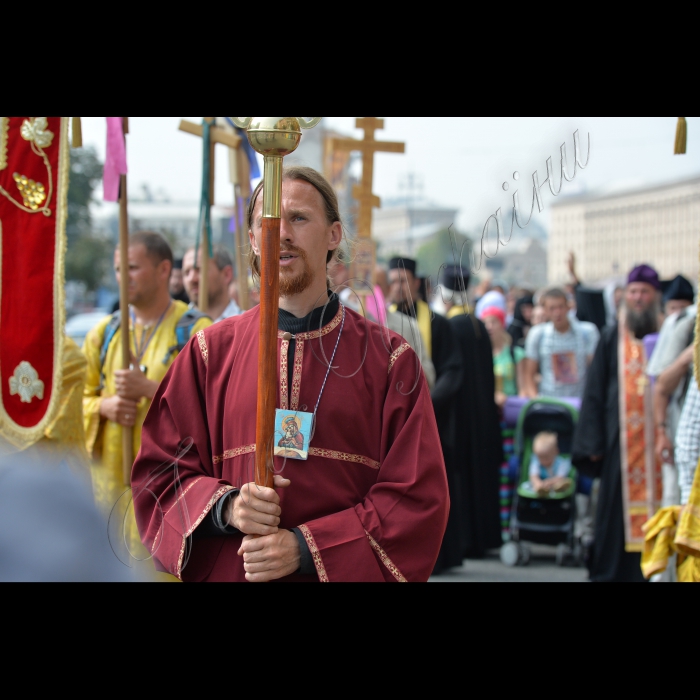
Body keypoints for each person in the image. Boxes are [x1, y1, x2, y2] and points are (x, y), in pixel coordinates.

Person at [132, 167, 449, 583]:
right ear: (251, 238)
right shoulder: (208, 353)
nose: (280, 233)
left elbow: (416, 498)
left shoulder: (390, 361)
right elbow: (159, 476)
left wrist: (305, 547)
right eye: (268, 221)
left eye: (298, 218)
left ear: (334, 235)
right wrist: (227, 507)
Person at [82, 232, 212, 573]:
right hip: (107, 497)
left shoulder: (197, 331)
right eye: (117, 268)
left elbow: (212, 410)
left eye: (132, 267)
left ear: (163, 269)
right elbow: (72, 407)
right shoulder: (104, 334)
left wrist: (150, 388)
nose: (122, 277)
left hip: (167, 496)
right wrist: (104, 407)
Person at [572, 264, 664, 583]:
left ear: (656, 297)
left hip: (660, 444)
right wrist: (592, 443)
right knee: (614, 511)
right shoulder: (613, 335)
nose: (638, 298)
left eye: (645, 292)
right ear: (625, 295)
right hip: (620, 442)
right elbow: (595, 390)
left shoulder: (668, 332)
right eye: (634, 292)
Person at [389, 258, 463, 572]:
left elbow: (451, 371)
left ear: (417, 283)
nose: (397, 287)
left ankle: (440, 556)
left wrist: (427, 402)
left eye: (403, 280)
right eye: (392, 281)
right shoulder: (381, 321)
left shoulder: (435, 323)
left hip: (434, 415)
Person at [446, 267, 503, 560]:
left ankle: (467, 540)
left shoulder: (452, 325)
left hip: (462, 416)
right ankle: (484, 537)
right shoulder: (478, 323)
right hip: (482, 413)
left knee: (463, 477)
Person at [483, 305, 524, 538]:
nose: (490, 327)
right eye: (486, 323)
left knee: (508, 472)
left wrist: (509, 400)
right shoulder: (480, 353)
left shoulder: (514, 354)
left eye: (494, 322)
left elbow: (521, 387)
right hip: (490, 420)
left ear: (502, 324)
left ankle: (508, 525)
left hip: (508, 420)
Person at [522, 287, 600, 400]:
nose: (557, 312)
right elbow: (529, 373)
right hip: (549, 402)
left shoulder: (588, 332)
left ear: (568, 307)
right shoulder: (538, 335)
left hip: (580, 401)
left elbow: (596, 371)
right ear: (545, 310)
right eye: (552, 308)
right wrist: (536, 401)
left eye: (561, 307)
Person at [183, 245, 241, 323]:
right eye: (187, 272)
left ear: (227, 275)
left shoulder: (246, 325)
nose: (192, 279)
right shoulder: (176, 323)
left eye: (200, 270)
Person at [525, 432, 573, 497]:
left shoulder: (561, 463)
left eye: (546, 457)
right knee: (533, 484)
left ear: (556, 452)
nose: (543, 460)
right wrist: (539, 483)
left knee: (562, 482)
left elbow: (560, 477)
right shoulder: (536, 462)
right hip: (541, 484)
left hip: (554, 483)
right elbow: (533, 476)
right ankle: (541, 490)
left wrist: (549, 482)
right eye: (540, 457)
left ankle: (558, 489)